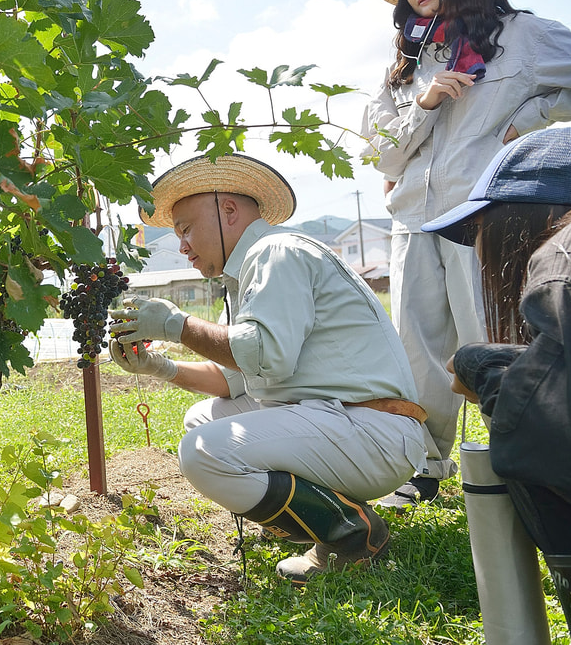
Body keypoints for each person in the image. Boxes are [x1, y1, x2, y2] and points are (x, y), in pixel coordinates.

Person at [108, 153, 431, 583]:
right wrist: (158, 366)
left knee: (203, 452)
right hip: (346, 421)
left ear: (228, 211)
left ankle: (348, 534)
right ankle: (313, 518)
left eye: (186, 229)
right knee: (202, 419)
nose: (182, 245)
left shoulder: (277, 252)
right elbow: (235, 378)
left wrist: (175, 325)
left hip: (371, 428)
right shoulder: (253, 270)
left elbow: (263, 354)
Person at [353, 0, 571, 507]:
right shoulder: (409, 60)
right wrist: (424, 102)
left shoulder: (523, 36)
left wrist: (530, 120)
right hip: (412, 218)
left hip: (485, 214)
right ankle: (426, 467)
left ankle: (523, 461)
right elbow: (379, 149)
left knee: (493, 335)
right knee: (416, 342)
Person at [422, 128, 571, 645]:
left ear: (522, 216)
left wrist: (485, 374)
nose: (481, 249)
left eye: (482, 227)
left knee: (525, 455)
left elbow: (563, 437)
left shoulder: (563, 258)